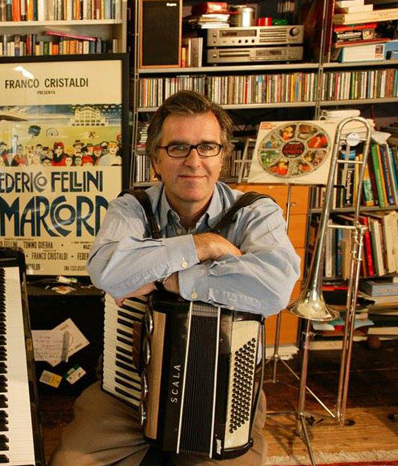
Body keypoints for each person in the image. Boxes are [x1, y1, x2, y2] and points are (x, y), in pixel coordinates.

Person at [50, 91, 301, 466]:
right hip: (129, 390)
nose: (194, 161)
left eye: (207, 147)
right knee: (70, 463)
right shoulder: (132, 207)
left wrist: (170, 280)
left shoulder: (255, 212)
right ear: (155, 159)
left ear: (223, 156)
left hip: (225, 392)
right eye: (178, 147)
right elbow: (106, 270)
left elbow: (275, 287)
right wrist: (203, 245)